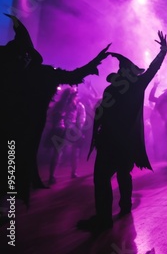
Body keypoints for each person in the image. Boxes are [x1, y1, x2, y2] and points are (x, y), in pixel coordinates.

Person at [2, 13, 110, 206]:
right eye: (16, 54)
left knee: (13, 167)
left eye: (24, 54)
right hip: (8, 128)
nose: (21, 57)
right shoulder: (7, 73)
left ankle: (7, 210)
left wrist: (94, 62)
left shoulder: (42, 74)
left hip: (22, 132)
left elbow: (73, 75)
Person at [76, 31, 167, 233]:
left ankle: (104, 219)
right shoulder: (131, 87)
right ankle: (124, 207)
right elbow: (152, 70)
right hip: (124, 142)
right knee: (123, 173)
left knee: (102, 179)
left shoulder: (119, 89)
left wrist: (163, 51)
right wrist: (163, 50)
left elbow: (151, 70)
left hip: (112, 142)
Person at [45, 87, 87, 184]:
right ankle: (53, 176)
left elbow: (81, 118)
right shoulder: (61, 105)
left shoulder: (78, 105)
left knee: (72, 151)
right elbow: (52, 117)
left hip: (70, 129)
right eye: (74, 94)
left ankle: (72, 172)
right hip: (63, 129)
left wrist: (78, 129)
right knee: (59, 152)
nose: (75, 96)